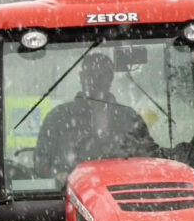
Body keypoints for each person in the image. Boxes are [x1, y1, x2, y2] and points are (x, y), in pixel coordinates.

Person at [34, 52, 160, 182]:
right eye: (91, 74)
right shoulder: (58, 117)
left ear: (111, 78)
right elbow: (41, 162)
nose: (96, 79)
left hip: (122, 191)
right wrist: (59, 176)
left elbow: (149, 156)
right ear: (81, 77)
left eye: (102, 75)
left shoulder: (129, 118)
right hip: (70, 194)